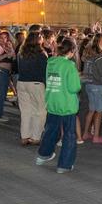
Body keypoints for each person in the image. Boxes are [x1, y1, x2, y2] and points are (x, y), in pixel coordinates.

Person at [36, 38, 82, 173]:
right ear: (72, 51)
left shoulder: (50, 63)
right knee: (69, 135)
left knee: (50, 131)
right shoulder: (69, 66)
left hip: (52, 102)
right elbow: (74, 87)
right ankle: (64, 165)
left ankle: (43, 155)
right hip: (66, 105)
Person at [16, 33, 48, 146]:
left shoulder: (21, 53)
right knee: (40, 111)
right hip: (36, 83)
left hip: (22, 83)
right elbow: (45, 72)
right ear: (38, 40)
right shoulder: (41, 54)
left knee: (25, 111)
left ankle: (25, 136)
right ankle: (35, 137)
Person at [80, 35, 102, 143]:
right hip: (98, 85)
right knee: (99, 111)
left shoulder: (89, 55)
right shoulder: (100, 57)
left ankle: (85, 133)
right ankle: (96, 136)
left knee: (91, 110)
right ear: (101, 41)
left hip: (88, 84)